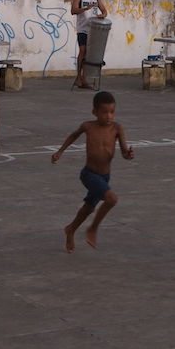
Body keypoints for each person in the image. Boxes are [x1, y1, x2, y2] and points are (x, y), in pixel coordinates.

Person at [51, 90, 134, 252]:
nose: (109, 116)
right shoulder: (88, 126)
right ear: (94, 112)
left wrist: (129, 155)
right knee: (111, 199)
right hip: (89, 174)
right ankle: (93, 228)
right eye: (104, 112)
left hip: (105, 176)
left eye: (112, 112)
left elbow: (124, 153)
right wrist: (60, 151)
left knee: (89, 207)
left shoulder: (117, 128)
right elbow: (73, 136)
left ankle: (70, 229)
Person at [71, 0, 108, 89]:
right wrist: (86, 8)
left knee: (90, 54)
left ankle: (84, 79)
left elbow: (105, 11)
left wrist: (103, 15)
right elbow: (73, 11)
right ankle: (78, 77)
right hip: (83, 29)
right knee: (83, 51)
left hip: (94, 30)